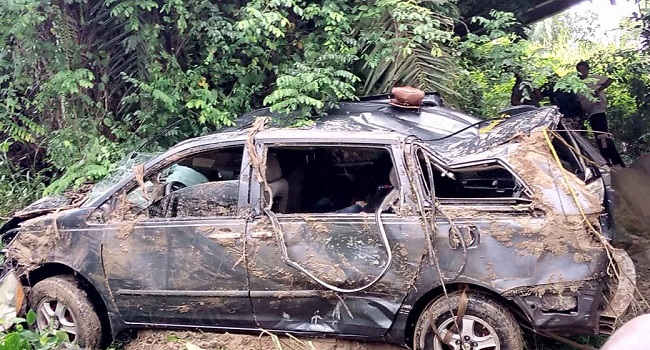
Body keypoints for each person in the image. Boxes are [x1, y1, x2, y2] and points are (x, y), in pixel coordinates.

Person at [576, 61, 625, 167]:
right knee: (599, 136)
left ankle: (616, 162)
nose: (582, 72)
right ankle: (608, 161)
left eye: (583, 69)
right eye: (579, 70)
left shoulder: (593, 78)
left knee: (603, 135)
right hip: (589, 113)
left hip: (598, 110)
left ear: (587, 69)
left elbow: (610, 80)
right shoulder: (577, 85)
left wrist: (598, 90)